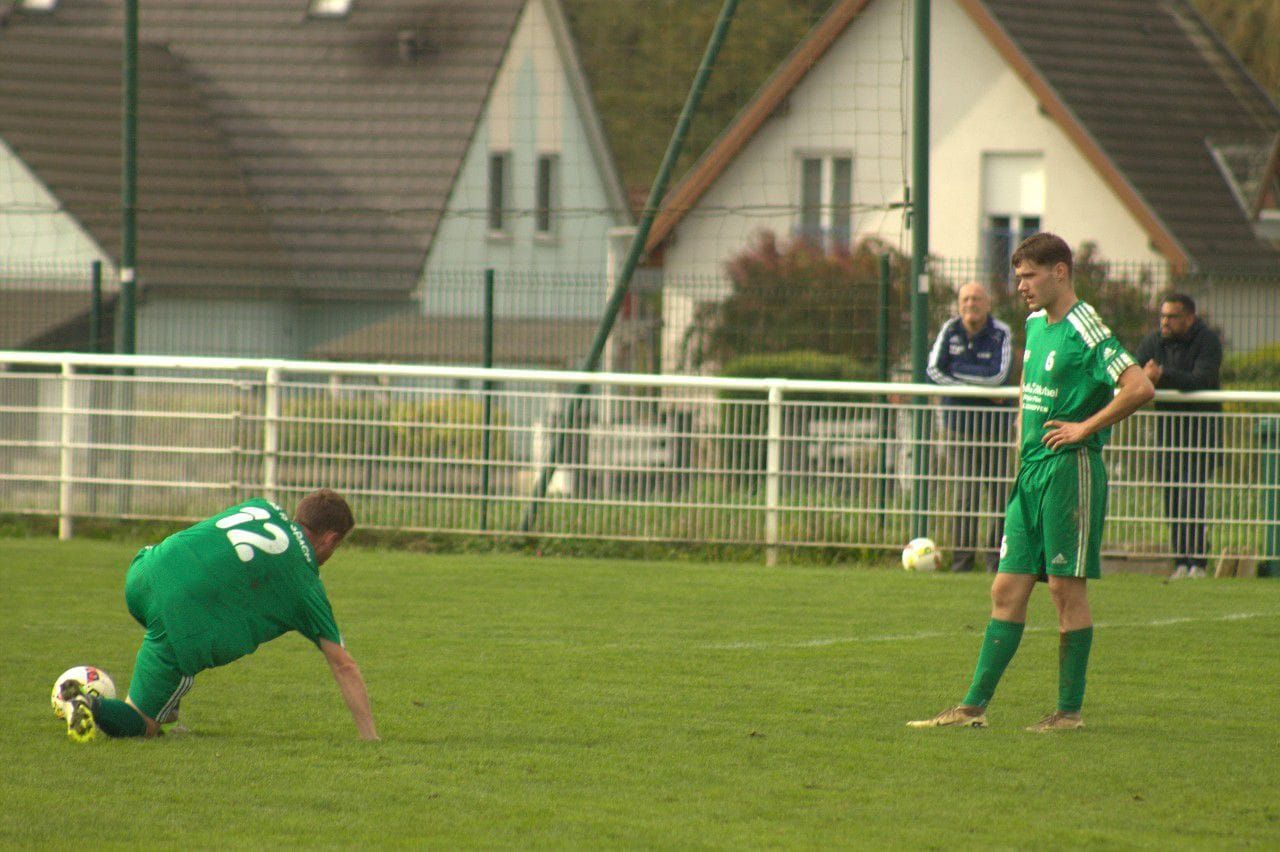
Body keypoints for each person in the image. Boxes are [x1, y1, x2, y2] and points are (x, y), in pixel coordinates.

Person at [908, 233, 1154, 732]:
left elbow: (1139, 386)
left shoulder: (1086, 327)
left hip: (1069, 473)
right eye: (1018, 276)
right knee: (1006, 588)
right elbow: (1030, 392)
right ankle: (972, 708)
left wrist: (1084, 427)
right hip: (1030, 475)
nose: (1020, 286)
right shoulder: (1036, 324)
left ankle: (1068, 713)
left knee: (1064, 591)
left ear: (1059, 271)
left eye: (1029, 276)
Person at [55, 489, 378, 742]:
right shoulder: (304, 584)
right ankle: (90, 704)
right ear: (331, 539)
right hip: (179, 619)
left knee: (170, 665)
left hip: (144, 572)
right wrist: (370, 738)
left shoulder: (262, 506)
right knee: (145, 724)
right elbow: (343, 665)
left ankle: (166, 704)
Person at [927, 281, 1015, 572]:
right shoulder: (949, 330)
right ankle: (962, 563)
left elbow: (999, 376)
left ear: (987, 303)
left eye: (976, 298)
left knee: (1000, 495)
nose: (970, 304)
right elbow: (933, 371)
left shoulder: (1001, 332)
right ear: (958, 303)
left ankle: (997, 561)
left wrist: (958, 371)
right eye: (965, 299)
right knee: (966, 494)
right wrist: (978, 385)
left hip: (996, 429)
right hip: (958, 427)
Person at [1134, 294, 1223, 580]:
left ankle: (1198, 561)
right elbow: (1135, 370)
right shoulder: (1154, 341)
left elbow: (1201, 379)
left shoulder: (1207, 341)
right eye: (1163, 316)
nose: (1165, 322)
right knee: (1172, 497)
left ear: (1189, 318)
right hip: (1168, 434)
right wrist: (1145, 375)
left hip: (1201, 434)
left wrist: (1162, 374)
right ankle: (1180, 561)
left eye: (1172, 316)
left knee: (1192, 496)